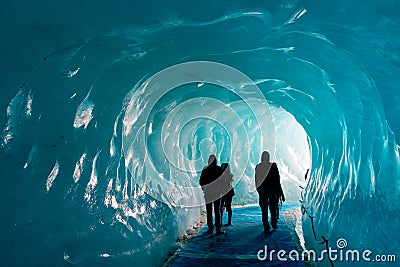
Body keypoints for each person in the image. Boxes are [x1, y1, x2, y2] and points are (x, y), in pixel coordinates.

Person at [255, 151, 285, 232]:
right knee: (273, 208)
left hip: (263, 190)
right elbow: (277, 180)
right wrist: (279, 192)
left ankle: (266, 226)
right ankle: (274, 223)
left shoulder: (259, 166)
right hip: (272, 190)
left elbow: (256, 179)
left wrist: (259, 190)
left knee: (264, 209)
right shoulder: (273, 166)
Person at [199, 155, 225, 235]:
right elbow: (223, 181)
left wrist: (204, 189)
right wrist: (222, 191)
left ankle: (210, 228)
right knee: (217, 211)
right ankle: (218, 229)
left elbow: (201, 181)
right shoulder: (219, 169)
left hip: (208, 193)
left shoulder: (205, 169)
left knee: (209, 211)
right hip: (217, 192)